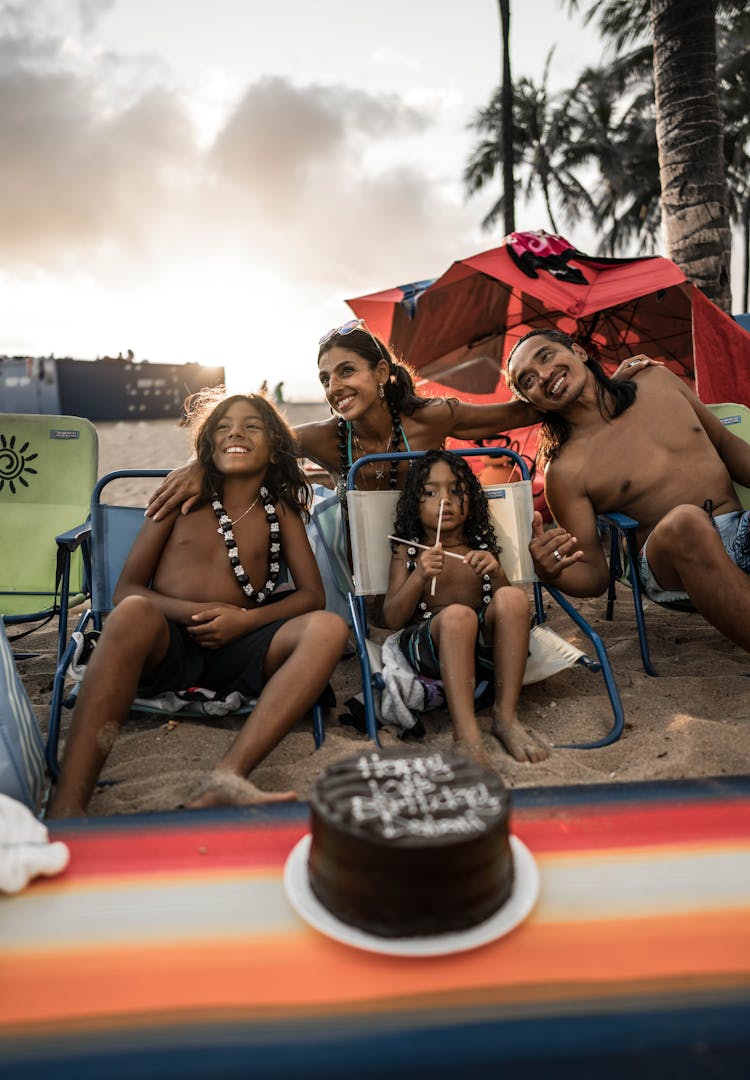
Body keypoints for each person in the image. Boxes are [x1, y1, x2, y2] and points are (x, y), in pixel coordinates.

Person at [47, 392, 350, 818]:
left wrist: (245, 622)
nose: (236, 434)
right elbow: (127, 590)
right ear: (207, 444)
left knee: (328, 627)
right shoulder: (180, 497)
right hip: (170, 642)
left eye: (251, 426)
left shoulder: (280, 507)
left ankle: (228, 777)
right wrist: (195, 615)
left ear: (276, 445)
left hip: (241, 648)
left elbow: (311, 596)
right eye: (223, 427)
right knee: (132, 613)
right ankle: (66, 805)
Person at [145, 319, 652, 519]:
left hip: (432, 542)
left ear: (382, 372)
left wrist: (602, 376)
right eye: (324, 379)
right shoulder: (326, 437)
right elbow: (252, 439)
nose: (334, 386)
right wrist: (198, 464)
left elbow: (528, 405)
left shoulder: (434, 417)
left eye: (346, 371)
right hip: (362, 560)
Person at [504, 329, 750, 652]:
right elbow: (594, 574)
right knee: (686, 522)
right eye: (528, 381)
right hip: (668, 558)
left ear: (578, 352)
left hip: (741, 531)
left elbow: (726, 445)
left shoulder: (657, 380)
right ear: (532, 402)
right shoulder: (565, 469)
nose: (544, 374)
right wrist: (550, 571)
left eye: (546, 356)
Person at [383, 450, 548, 766]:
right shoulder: (408, 550)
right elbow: (391, 618)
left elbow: (510, 615)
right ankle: (466, 732)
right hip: (428, 648)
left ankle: (505, 716)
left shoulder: (481, 548)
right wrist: (419, 575)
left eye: (457, 490)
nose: (445, 500)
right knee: (459, 615)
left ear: (472, 500)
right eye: (430, 492)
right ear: (414, 503)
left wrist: (497, 574)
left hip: (484, 652)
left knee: (513, 598)